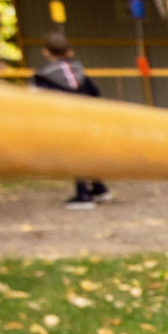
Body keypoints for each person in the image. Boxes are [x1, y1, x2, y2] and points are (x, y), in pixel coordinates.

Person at [31, 30, 110, 209]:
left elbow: (36, 100)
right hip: (88, 119)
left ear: (45, 52)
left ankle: (83, 195)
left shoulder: (43, 75)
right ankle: (99, 188)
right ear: (69, 50)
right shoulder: (79, 70)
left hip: (65, 120)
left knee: (75, 155)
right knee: (87, 153)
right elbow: (95, 93)